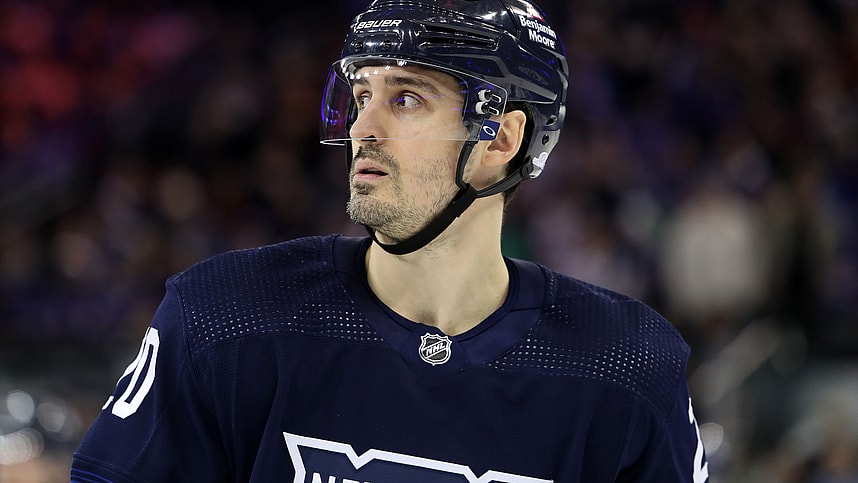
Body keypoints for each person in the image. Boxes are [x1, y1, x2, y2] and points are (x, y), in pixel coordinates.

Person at [71, 0, 709, 481]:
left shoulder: (626, 364)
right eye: (361, 95)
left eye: (407, 98)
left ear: (501, 140)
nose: (363, 128)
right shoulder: (223, 313)